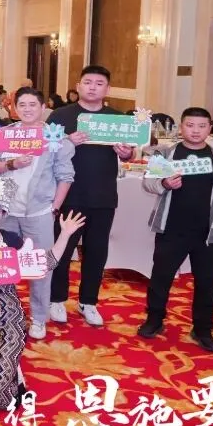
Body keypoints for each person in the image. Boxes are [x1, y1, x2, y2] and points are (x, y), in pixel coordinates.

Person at [0, 173, 86, 410]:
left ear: (3, 213)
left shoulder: (12, 240)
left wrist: (65, 234)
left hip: (9, 315)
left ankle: (11, 371)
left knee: (4, 396)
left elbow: (47, 262)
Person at [138, 107, 213, 352]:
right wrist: (165, 183)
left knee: (207, 283)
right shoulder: (167, 153)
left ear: (210, 129)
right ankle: (154, 320)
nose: (195, 131)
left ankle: (203, 329)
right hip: (171, 228)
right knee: (161, 277)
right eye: (190, 125)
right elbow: (148, 183)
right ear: (181, 127)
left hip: (208, 231)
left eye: (201, 126)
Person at [47, 66, 135, 328]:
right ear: (78, 86)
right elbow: (46, 151)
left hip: (103, 195)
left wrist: (126, 153)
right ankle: (57, 298)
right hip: (69, 195)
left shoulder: (117, 119)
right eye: (88, 82)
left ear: (107, 89)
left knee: (97, 252)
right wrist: (67, 141)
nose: (93, 87)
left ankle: (88, 301)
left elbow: (129, 153)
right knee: (62, 250)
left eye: (99, 83)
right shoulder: (61, 115)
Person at [0, 88, 75, 339]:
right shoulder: (5, 134)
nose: (27, 109)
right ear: (14, 108)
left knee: (41, 267)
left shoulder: (54, 136)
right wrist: (11, 164)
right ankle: (4, 311)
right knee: (2, 265)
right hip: (6, 211)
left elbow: (65, 176)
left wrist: (54, 207)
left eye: (32, 104)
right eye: (21, 104)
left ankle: (38, 318)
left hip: (39, 211)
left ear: (43, 107)